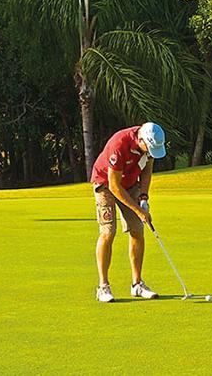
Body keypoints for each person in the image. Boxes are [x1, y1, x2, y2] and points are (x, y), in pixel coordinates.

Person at [90, 122, 166, 302]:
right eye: (149, 148)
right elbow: (114, 186)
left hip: (130, 184)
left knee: (137, 231)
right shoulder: (119, 144)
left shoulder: (149, 146)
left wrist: (144, 197)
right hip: (105, 184)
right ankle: (103, 287)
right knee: (108, 232)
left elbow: (146, 172)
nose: (150, 152)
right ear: (141, 139)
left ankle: (137, 284)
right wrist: (138, 210)